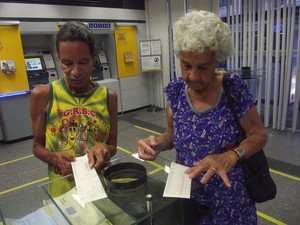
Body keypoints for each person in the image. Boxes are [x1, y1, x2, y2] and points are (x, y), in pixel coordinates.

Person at [137, 10, 268, 225]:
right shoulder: (176, 91)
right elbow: (172, 133)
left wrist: (230, 156)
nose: (193, 76)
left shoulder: (232, 88)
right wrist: (157, 144)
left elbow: (259, 136)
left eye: (203, 67)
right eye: (186, 66)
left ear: (217, 60)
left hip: (230, 200)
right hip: (186, 194)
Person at [30, 21, 118, 197]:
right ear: (58, 59)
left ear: (94, 57)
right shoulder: (43, 95)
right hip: (63, 188)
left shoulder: (109, 97)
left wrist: (104, 148)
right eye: (67, 63)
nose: (75, 72)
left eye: (84, 62)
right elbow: (37, 147)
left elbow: (113, 146)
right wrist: (53, 157)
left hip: (99, 185)